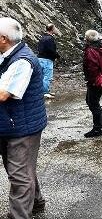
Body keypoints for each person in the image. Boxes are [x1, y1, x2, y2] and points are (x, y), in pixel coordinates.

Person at [0, 17, 47, 219]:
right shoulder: (8, 54)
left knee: (19, 175)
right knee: (22, 167)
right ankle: (36, 202)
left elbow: (3, 94)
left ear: (3, 38)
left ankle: (19, 215)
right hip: (11, 124)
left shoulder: (22, 61)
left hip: (22, 127)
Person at [37, 23, 59, 99]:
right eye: (55, 28)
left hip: (40, 59)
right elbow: (51, 50)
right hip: (47, 60)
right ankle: (45, 92)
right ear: (52, 30)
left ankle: (42, 91)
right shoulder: (50, 38)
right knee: (47, 76)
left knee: (41, 76)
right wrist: (57, 56)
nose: (56, 29)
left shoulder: (42, 37)